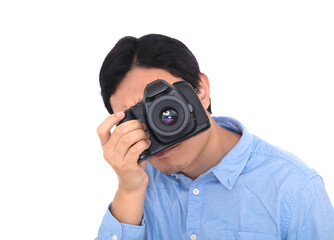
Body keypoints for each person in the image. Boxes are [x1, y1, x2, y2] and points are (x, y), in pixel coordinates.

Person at [95, 34, 334, 240]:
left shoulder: (294, 188)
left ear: (200, 90)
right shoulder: (138, 182)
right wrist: (128, 190)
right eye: (136, 119)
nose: (156, 127)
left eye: (162, 107)